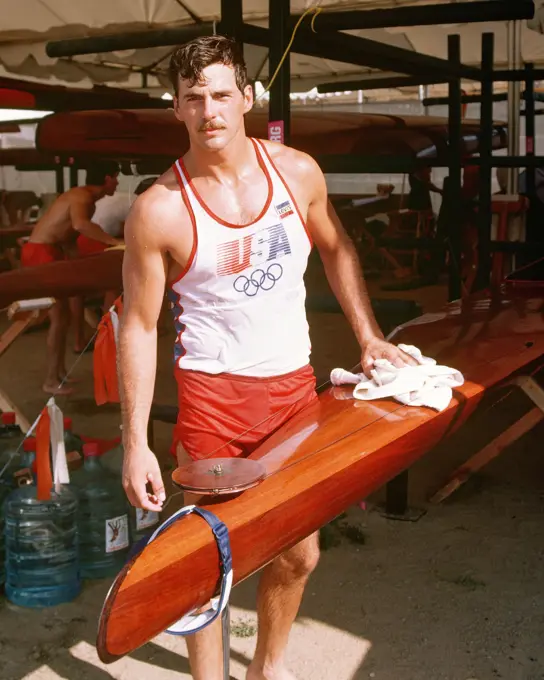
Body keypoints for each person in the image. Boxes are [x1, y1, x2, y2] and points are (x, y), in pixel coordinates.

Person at [119, 36, 416, 680]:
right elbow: (139, 326)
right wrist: (135, 440)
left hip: (293, 391)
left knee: (299, 555)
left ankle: (267, 668)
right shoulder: (158, 209)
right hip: (213, 400)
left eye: (222, 94)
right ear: (175, 108)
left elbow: (336, 248)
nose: (210, 111)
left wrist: (367, 335)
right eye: (193, 98)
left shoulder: (297, 171)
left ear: (247, 97)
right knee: (208, 564)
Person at [21, 162, 122, 395]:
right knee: (58, 318)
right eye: (115, 177)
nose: (117, 183)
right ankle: (50, 380)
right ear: (107, 178)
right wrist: (114, 242)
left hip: (52, 251)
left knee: (63, 318)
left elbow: (69, 237)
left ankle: (59, 375)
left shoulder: (89, 200)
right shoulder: (82, 196)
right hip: (41, 252)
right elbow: (81, 225)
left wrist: (84, 264)